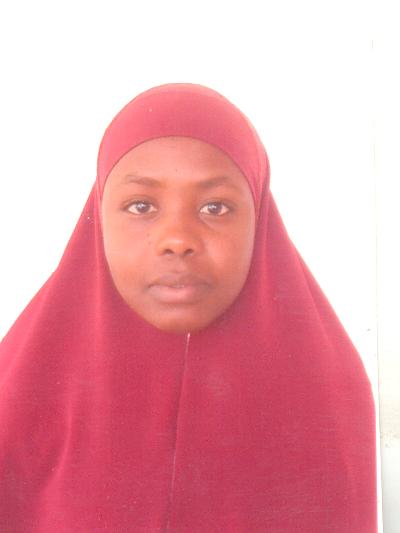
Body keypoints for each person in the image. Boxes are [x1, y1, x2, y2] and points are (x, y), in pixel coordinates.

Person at [0, 84, 377, 532]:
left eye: (215, 207)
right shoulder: (19, 392)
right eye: (141, 206)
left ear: (258, 216)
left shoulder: (327, 396)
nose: (177, 239)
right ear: (99, 216)